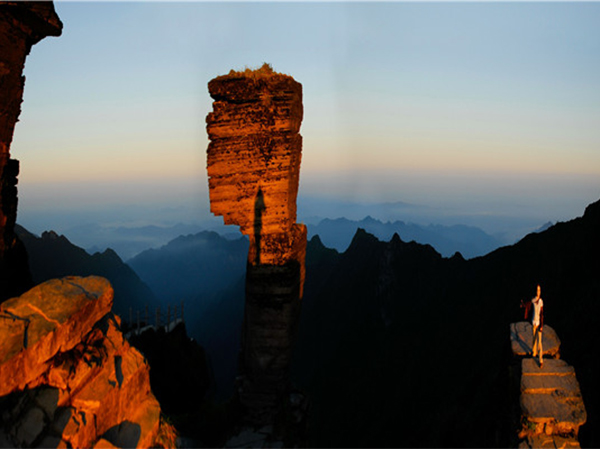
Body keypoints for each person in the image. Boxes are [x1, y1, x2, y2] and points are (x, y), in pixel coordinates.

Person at [522, 284, 544, 367]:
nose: (538, 292)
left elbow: (542, 314)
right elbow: (528, 305)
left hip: (538, 324)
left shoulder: (541, 301)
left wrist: (541, 325)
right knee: (534, 339)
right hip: (533, 322)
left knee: (539, 343)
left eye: (539, 290)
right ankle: (534, 353)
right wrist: (523, 305)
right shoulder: (533, 300)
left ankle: (541, 360)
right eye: (537, 290)